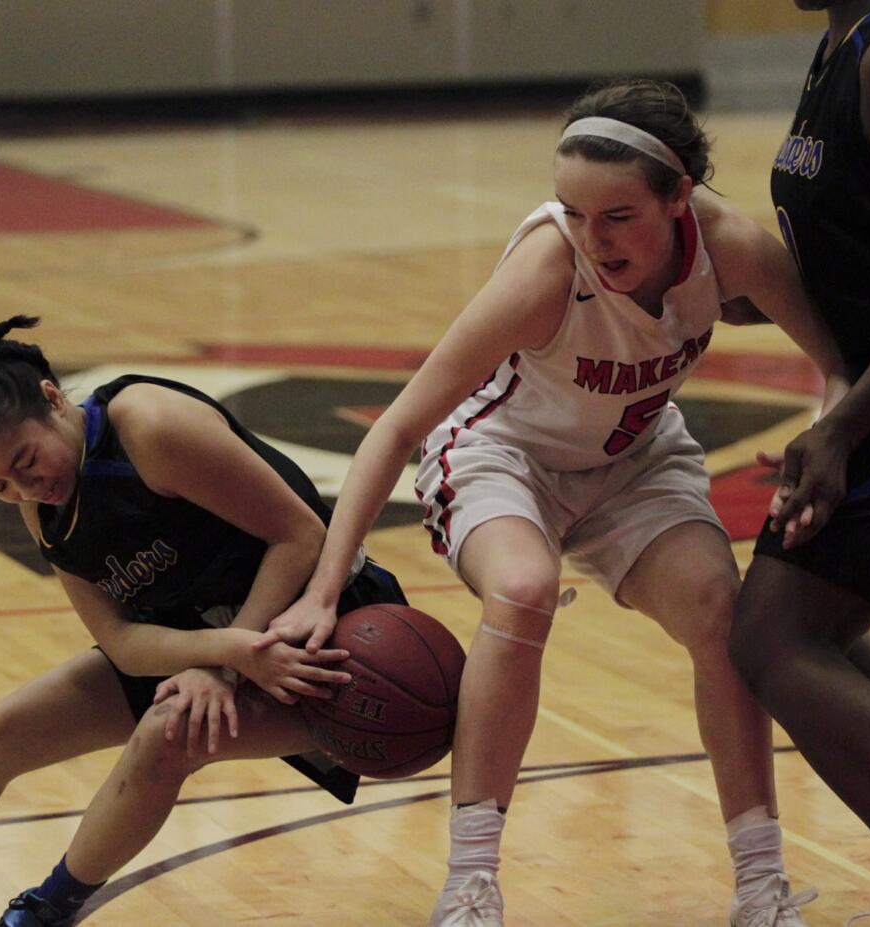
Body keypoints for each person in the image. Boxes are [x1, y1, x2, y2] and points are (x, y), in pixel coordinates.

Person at [254, 78, 840, 927]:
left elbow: (840, 363)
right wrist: (319, 590)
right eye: (573, 211)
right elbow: (394, 428)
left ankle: (760, 884)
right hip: (503, 455)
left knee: (723, 612)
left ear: (680, 197)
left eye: (617, 216)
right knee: (523, 588)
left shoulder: (734, 249)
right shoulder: (545, 272)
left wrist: (820, 441)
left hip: (632, 460)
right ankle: (470, 885)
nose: (592, 239)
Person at [0, 316, 408, 927]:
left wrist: (222, 661)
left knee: (168, 731)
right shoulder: (42, 511)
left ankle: (45, 908)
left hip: (323, 630)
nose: (23, 490)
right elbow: (122, 642)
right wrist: (222, 652)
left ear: (53, 398)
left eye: (23, 462)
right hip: (218, 639)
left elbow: (299, 534)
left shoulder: (150, 428)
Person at [727, 0, 870, 922]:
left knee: (776, 634)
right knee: (811, 622)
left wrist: (841, 428)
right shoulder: (840, 42)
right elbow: (869, 233)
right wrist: (758, 285)